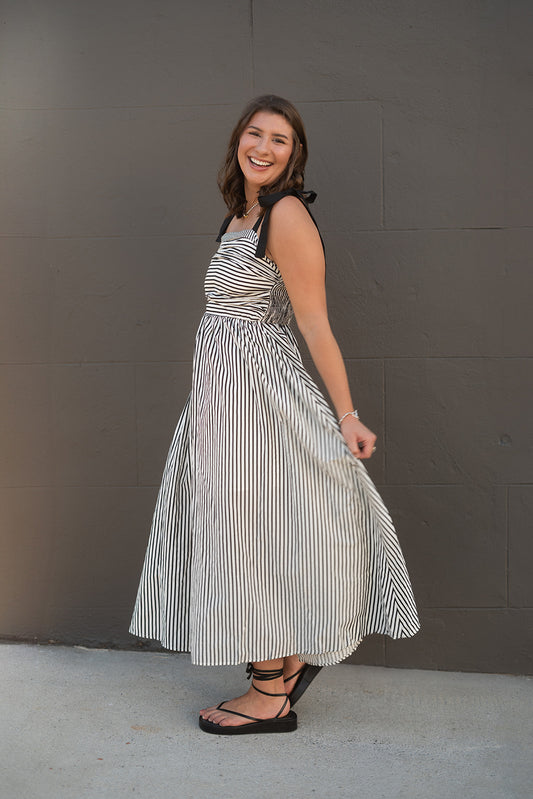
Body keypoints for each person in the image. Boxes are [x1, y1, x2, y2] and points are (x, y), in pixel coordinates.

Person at [129, 95, 420, 736]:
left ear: (296, 154)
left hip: (257, 402)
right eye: (254, 134)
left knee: (246, 535)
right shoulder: (243, 213)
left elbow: (313, 321)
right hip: (222, 402)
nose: (263, 147)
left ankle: (268, 696)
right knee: (256, 529)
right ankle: (283, 661)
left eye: (279, 140)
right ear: (238, 140)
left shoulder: (285, 214)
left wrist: (348, 414)